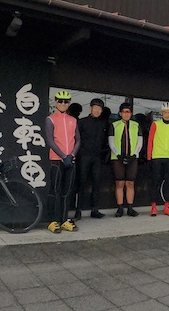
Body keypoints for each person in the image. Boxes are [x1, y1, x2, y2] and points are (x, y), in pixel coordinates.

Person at [44, 90, 81, 233]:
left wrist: (71, 155)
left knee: (68, 191)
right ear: (55, 102)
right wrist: (63, 155)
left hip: (70, 160)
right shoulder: (50, 119)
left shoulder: (73, 120)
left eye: (66, 101)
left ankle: (65, 219)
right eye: (60, 101)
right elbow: (49, 140)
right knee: (55, 190)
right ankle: (53, 221)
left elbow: (78, 140)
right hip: (56, 160)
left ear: (69, 103)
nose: (63, 104)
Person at [108, 102, 143, 217]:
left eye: (128, 112)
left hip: (133, 158)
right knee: (119, 183)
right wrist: (118, 155)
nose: (126, 114)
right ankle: (119, 208)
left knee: (130, 183)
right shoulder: (114, 125)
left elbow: (140, 141)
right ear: (120, 113)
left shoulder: (136, 125)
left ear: (131, 113)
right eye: (124, 112)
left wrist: (134, 155)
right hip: (117, 158)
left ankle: (130, 208)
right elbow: (111, 141)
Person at [75, 98, 108, 220]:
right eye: (95, 108)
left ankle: (95, 209)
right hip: (84, 157)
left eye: (100, 109)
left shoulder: (104, 123)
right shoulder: (82, 122)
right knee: (81, 183)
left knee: (97, 183)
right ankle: (78, 210)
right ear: (90, 108)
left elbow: (106, 142)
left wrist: (105, 155)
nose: (97, 110)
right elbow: (76, 140)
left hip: (97, 158)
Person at [148, 102, 169, 216]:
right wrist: (149, 157)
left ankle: (167, 207)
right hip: (157, 157)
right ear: (162, 113)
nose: (167, 115)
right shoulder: (155, 124)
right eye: (165, 112)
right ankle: (153, 207)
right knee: (155, 182)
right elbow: (150, 141)